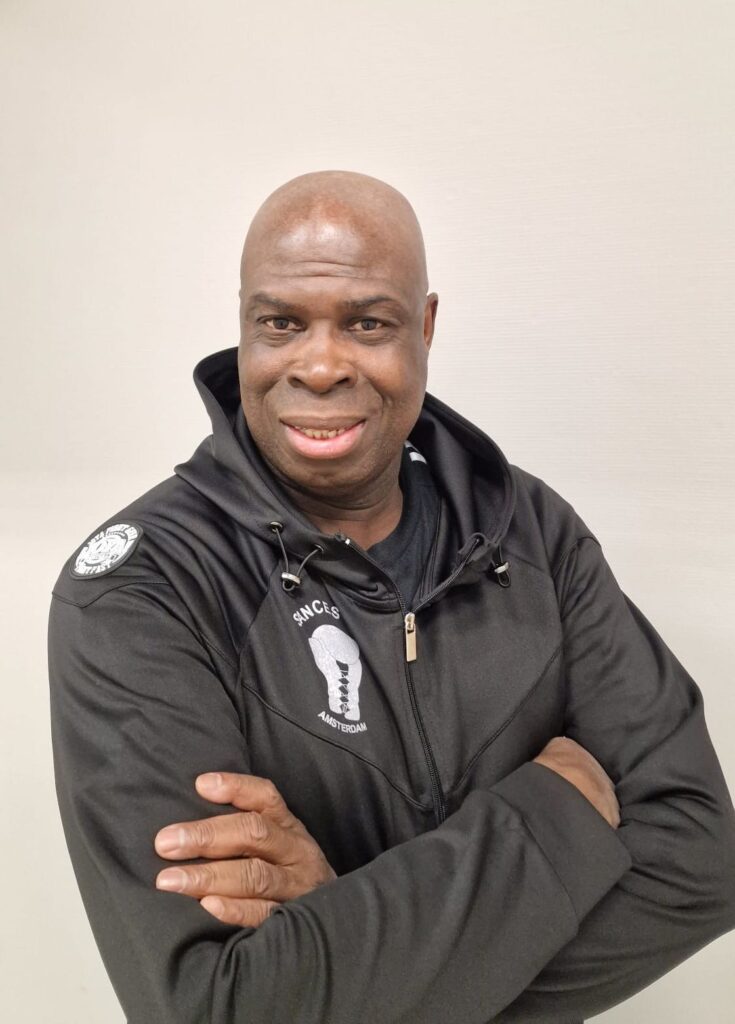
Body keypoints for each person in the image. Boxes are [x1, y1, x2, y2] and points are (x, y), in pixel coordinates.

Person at [48, 170, 735, 1024]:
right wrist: (552, 815)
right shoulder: (143, 589)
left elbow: (702, 859)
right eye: (281, 323)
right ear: (243, 324)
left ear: (426, 326)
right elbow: (214, 1005)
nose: (320, 365)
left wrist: (342, 942)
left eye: (367, 323)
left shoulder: (531, 533)